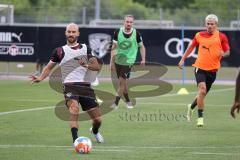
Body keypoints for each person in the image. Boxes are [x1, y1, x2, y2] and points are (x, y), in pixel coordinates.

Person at [29, 23, 104, 144]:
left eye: (74, 32)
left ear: (78, 33)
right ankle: (76, 140)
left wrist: (87, 65)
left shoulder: (86, 48)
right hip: (70, 86)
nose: (71, 34)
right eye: (69, 32)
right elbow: (48, 67)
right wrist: (40, 78)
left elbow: (96, 67)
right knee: (74, 109)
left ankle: (95, 131)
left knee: (98, 120)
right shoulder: (59, 51)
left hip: (85, 87)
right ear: (65, 33)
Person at [178, 14, 230, 127]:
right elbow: (191, 47)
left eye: (212, 24)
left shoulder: (222, 37)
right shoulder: (199, 35)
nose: (210, 26)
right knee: (202, 90)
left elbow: (227, 51)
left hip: (212, 71)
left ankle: (191, 106)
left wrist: (223, 53)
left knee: (202, 94)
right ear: (205, 24)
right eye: (208, 24)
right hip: (200, 67)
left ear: (216, 25)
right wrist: (182, 59)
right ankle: (200, 118)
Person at [110, 15, 146, 109]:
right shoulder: (117, 32)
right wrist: (111, 62)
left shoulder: (136, 34)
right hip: (118, 60)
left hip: (129, 61)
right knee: (123, 83)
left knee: (122, 81)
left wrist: (143, 59)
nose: (129, 23)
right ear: (124, 22)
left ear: (133, 23)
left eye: (131, 22)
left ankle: (115, 103)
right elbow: (113, 48)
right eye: (127, 21)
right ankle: (128, 101)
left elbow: (141, 46)